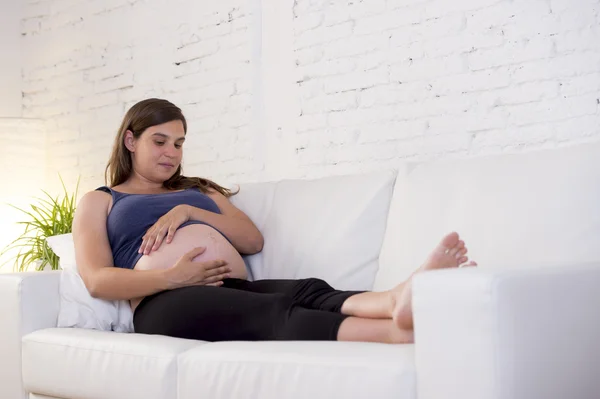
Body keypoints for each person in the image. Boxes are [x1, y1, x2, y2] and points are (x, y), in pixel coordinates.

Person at [72, 98, 476, 344]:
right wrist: (174, 278)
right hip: (163, 302)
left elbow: (251, 239)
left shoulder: (196, 191)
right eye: (159, 142)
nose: (171, 153)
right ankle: (397, 333)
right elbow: (97, 279)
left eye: (178, 144)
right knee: (274, 311)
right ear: (130, 140)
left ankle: (396, 299)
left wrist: (189, 210)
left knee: (306, 288)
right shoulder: (101, 201)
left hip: (229, 286)